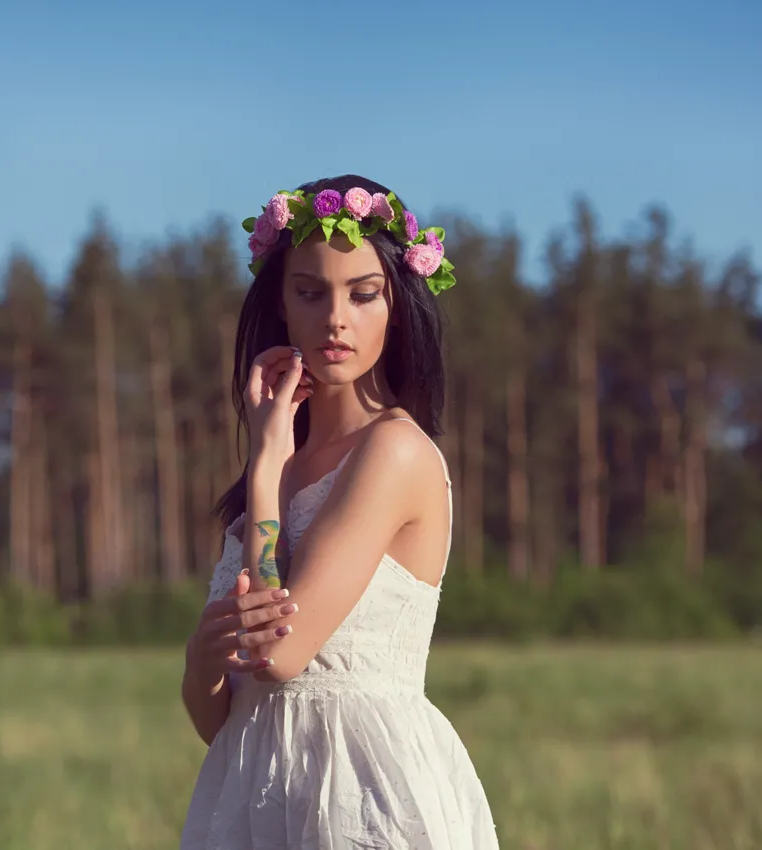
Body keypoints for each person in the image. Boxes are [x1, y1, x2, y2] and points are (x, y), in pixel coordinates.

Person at [179, 175, 500, 849]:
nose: (335, 317)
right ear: (282, 307)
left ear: (397, 305)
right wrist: (201, 662)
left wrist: (266, 465)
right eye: (309, 291)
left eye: (363, 293)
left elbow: (279, 654)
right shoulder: (282, 465)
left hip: (364, 800)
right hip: (256, 799)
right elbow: (230, 717)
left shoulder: (393, 452)